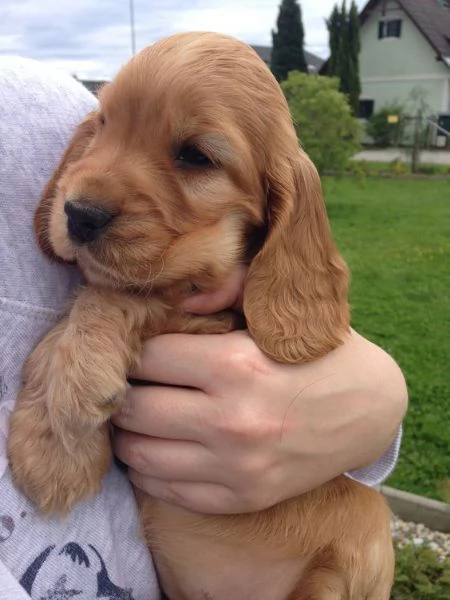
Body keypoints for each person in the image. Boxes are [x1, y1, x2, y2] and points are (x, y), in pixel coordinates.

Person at [0, 56, 407, 599]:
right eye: (103, 127)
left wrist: (381, 399)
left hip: (315, 569)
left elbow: (294, 340)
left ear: (275, 203)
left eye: (194, 156)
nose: (87, 196)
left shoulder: (32, 108)